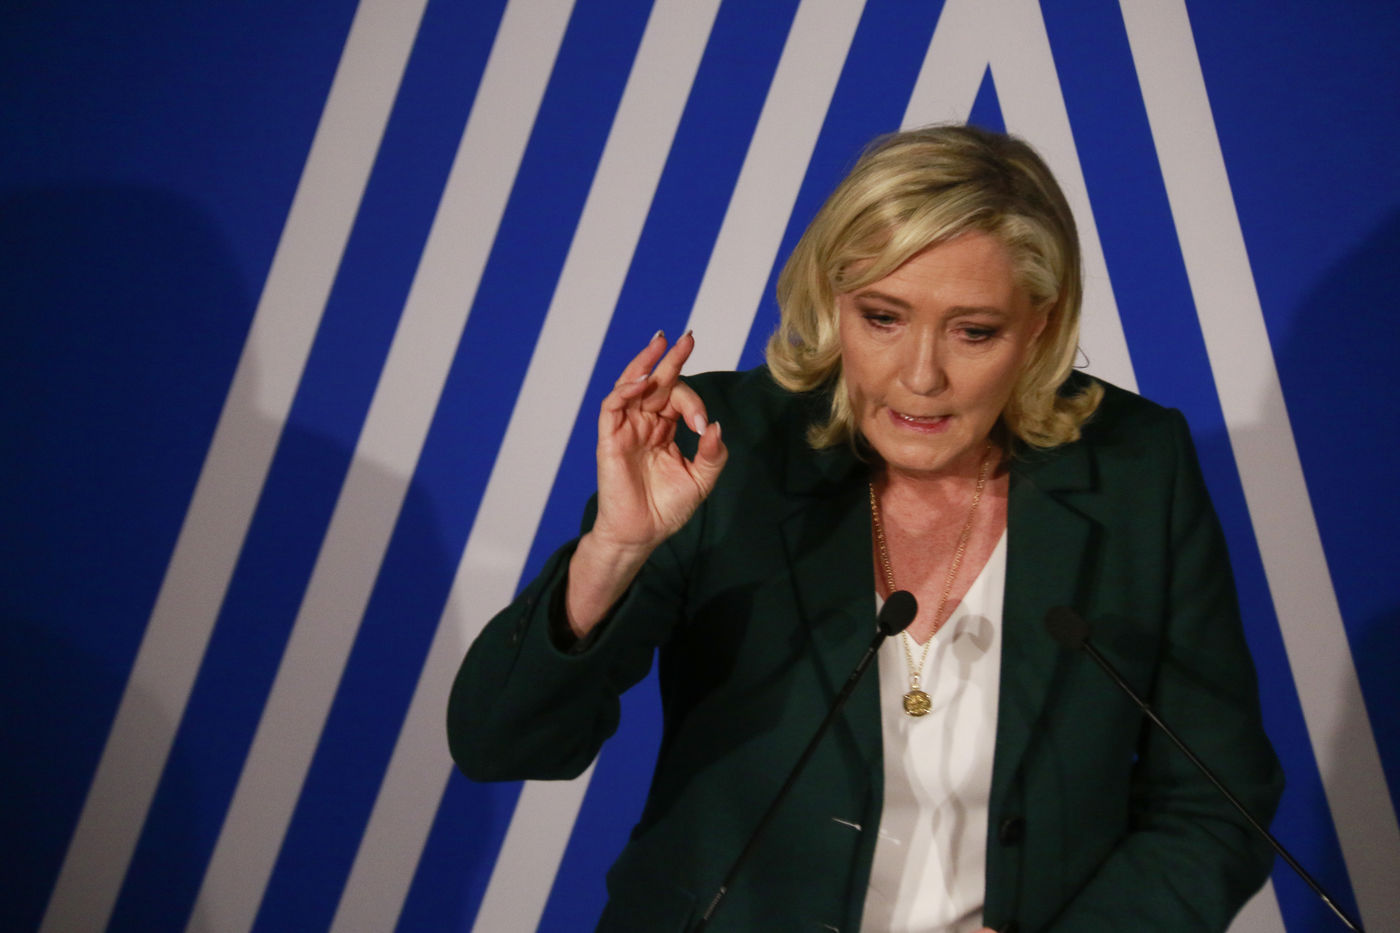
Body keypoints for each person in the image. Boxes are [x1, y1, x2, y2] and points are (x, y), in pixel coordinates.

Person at [448, 125, 1283, 932]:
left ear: (1039, 324)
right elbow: (501, 744)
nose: (921, 375)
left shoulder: (1137, 470)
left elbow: (1217, 802)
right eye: (883, 317)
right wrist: (615, 551)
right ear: (833, 300)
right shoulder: (727, 448)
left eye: (974, 331)